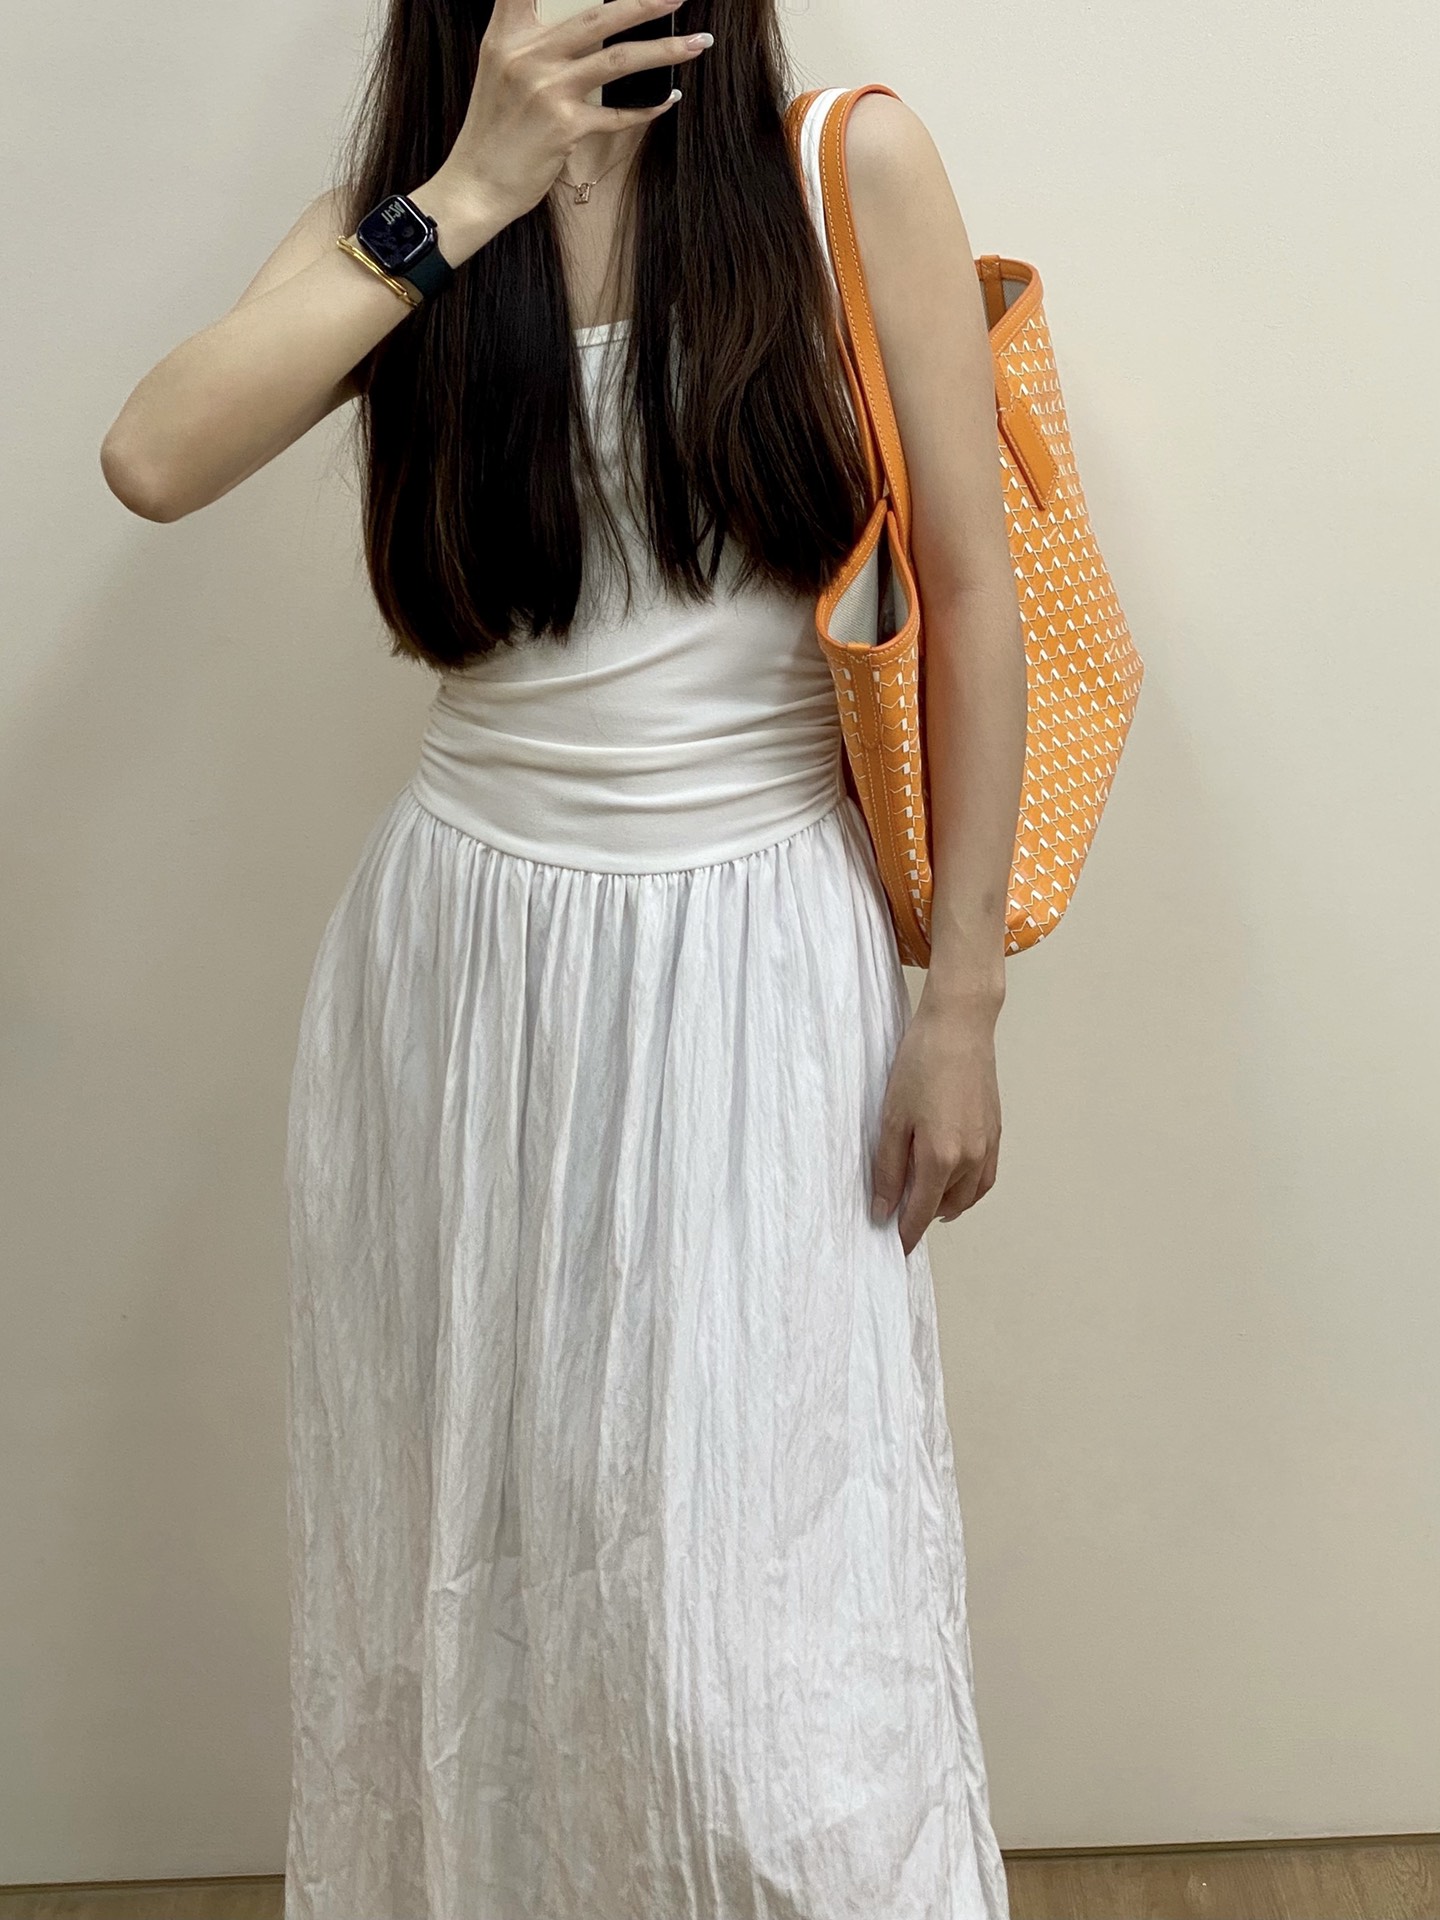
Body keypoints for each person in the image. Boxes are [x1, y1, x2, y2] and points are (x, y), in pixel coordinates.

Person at [101, 0, 1027, 1912]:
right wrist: (469, 193)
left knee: (754, 1636)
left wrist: (964, 1001)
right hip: (463, 969)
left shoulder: (841, 166)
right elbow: (153, 458)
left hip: (758, 956)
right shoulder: (407, 215)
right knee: (489, 1578)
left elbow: (970, 594)